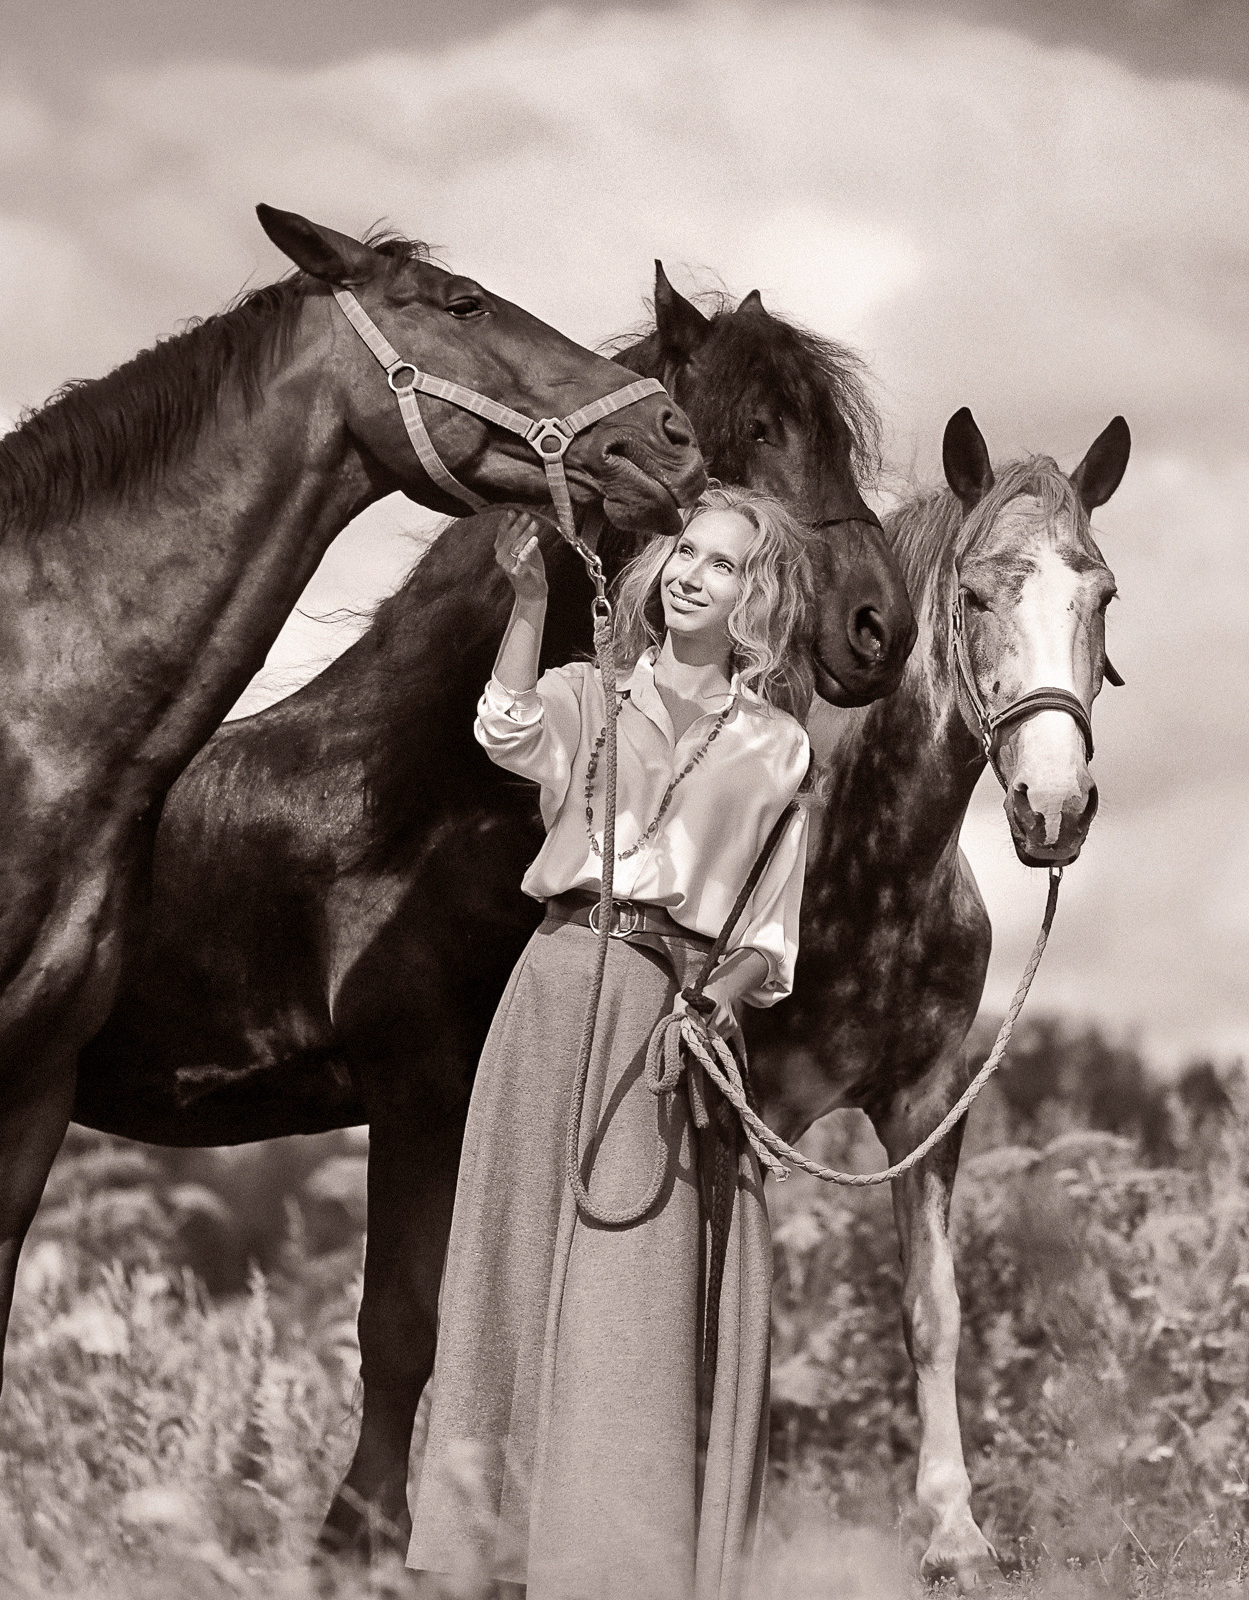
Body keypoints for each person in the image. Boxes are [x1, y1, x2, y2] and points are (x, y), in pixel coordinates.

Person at [404, 486, 818, 1600]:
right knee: (510, 1267)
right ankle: (483, 1550)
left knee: (627, 1299)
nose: (691, 573)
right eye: (686, 551)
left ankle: (609, 1561)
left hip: (661, 1015)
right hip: (550, 990)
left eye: (724, 565)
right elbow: (504, 728)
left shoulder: (778, 749)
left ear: (756, 599)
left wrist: (710, 1004)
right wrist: (530, 599)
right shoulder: (594, 692)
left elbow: (766, 936)